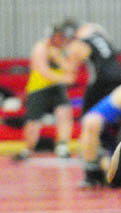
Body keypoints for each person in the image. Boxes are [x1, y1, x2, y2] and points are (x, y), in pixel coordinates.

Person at [13, 21, 77, 161]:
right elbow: (43, 71)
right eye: (60, 37)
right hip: (39, 88)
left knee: (64, 113)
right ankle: (27, 149)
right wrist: (64, 78)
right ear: (53, 36)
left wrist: (59, 57)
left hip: (56, 87)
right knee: (33, 121)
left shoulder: (61, 49)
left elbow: (70, 68)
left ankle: (62, 146)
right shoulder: (41, 47)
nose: (62, 40)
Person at [63, 21, 121, 114]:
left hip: (102, 79)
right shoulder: (97, 33)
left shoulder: (81, 43)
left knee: (88, 112)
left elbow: (72, 68)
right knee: (115, 111)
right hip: (119, 75)